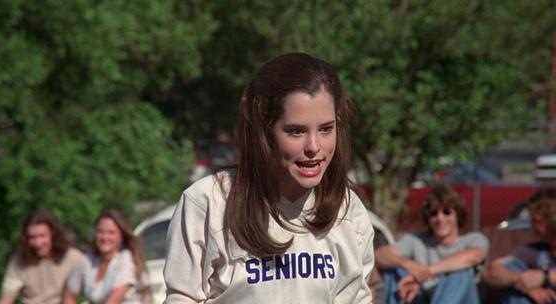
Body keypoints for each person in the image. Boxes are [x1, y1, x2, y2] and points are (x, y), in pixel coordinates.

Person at [163, 52, 375, 303]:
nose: (314, 147)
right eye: (296, 131)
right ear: (263, 131)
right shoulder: (208, 202)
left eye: (326, 129)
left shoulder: (348, 210)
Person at [375, 185, 489, 304]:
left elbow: (473, 257)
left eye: (446, 212)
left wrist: (427, 272)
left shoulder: (473, 239)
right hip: (421, 299)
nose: (440, 218)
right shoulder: (416, 239)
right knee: (393, 268)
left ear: (458, 215)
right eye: (434, 213)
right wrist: (408, 265)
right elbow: (379, 255)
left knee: (461, 273)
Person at [481, 189, 556, 304]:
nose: (532, 226)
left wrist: (545, 277)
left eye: (537, 221)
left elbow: (543, 277)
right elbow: (489, 272)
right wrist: (523, 283)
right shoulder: (536, 250)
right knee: (512, 269)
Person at [63, 208, 151, 304]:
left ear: (122, 235)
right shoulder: (88, 260)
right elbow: (69, 293)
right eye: (100, 231)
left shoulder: (126, 260)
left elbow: (113, 301)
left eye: (111, 232)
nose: (105, 237)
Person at [0, 209, 83, 304]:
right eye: (32, 237)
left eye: (42, 236)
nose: (38, 243)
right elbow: (7, 297)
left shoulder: (73, 257)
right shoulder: (20, 261)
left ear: (53, 234)